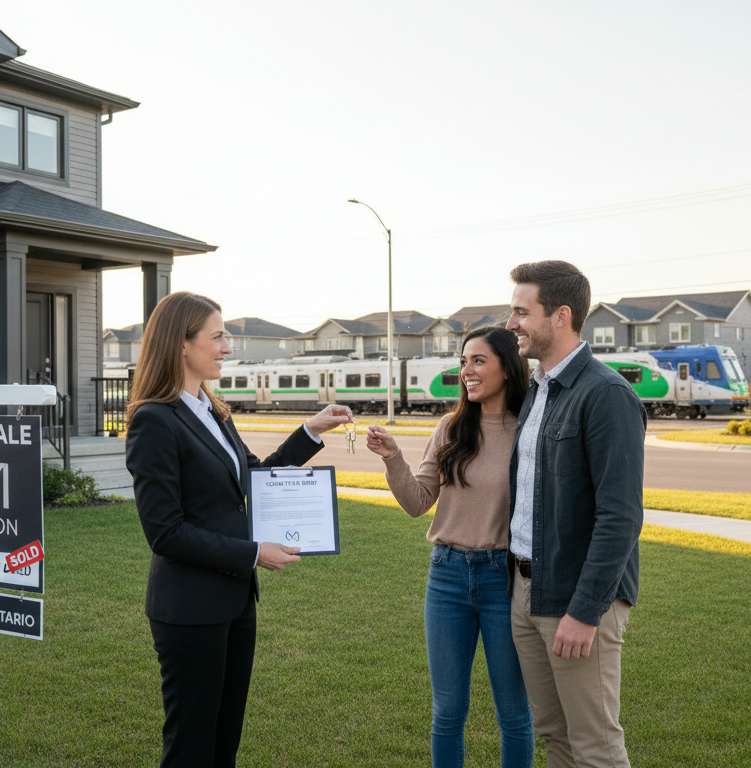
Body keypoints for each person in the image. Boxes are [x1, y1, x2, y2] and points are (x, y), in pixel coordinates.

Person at [125, 291, 353, 768]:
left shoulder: (211, 410)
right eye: (218, 336)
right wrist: (253, 554)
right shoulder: (154, 420)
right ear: (182, 345)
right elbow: (165, 532)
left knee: (224, 740)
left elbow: (256, 478)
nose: (227, 347)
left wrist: (310, 431)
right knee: (191, 747)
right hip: (189, 610)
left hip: (234, 602)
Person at [365, 326, 535, 768]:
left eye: (478, 361)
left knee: (514, 715)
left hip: (505, 578)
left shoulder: (529, 430)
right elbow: (417, 502)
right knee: (447, 712)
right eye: (463, 362)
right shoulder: (450, 427)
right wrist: (392, 457)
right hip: (447, 577)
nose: (467, 372)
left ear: (507, 366)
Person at [503, 261, 646, 767]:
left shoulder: (605, 394)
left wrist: (585, 612)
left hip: (578, 599)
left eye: (522, 311)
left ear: (561, 315)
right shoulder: (538, 388)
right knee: (555, 737)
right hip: (526, 592)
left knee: (596, 745)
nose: (510, 322)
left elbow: (621, 516)